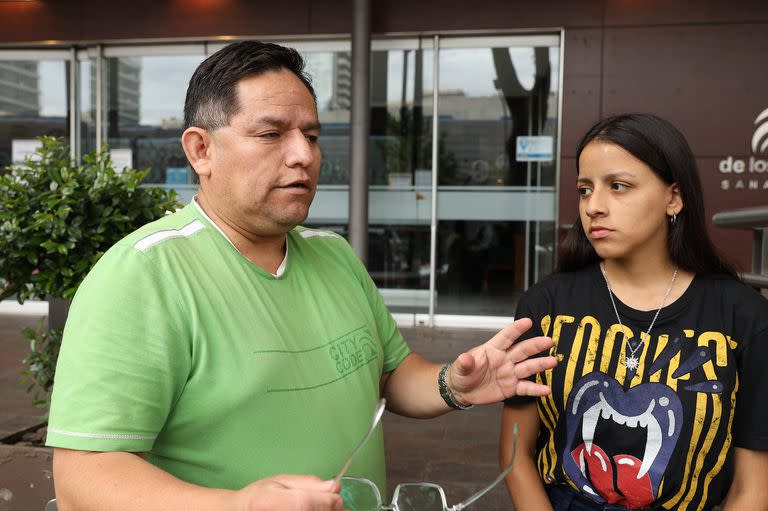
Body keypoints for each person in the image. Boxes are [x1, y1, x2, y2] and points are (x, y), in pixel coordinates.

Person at [45, 41, 557, 511]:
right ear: (201, 150)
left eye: (311, 135)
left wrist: (454, 384)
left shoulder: (333, 255)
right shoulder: (142, 275)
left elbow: (387, 376)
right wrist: (237, 506)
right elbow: (82, 475)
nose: (304, 155)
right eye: (271, 134)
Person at [499, 113, 768, 511]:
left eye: (618, 186)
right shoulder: (545, 306)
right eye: (585, 189)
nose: (594, 207)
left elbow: (753, 488)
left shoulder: (744, 317)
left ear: (673, 198)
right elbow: (515, 456)